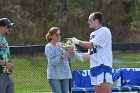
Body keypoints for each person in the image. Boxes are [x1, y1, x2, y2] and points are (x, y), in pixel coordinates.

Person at [67, 12, 112, 93]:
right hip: (94, 67)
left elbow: (91, 45)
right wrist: (74, 52)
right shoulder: (92, 34)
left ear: (96, 21)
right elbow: (88, 55)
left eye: (90, 20)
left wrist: (76, 41)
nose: (88, 22)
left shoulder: (105, 31)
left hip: (103, 66)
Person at [45, 27, 78, 93]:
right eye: (56, 35)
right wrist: (63, 56)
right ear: (51, 36)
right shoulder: (49, 47)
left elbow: (70, 60)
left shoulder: (63, 45)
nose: (59, 36)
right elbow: (52, 62)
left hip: (65, 75)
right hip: (54, 76)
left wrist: (72, 53)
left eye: (60, 34)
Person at [0, 18, 15, 93]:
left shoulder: (3, 39)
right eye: (8, 27)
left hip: (7, 73)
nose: (10, 29)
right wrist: (6, 64)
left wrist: (9, 66)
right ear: (1, 27)